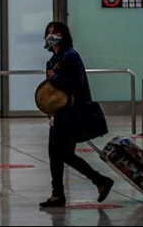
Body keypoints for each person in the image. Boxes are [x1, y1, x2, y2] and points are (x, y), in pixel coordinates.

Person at [40, 21, 114, 208]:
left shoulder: (71, 56)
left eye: (55, 31)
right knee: (58, 154)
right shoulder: (53, 60)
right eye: (48, 32)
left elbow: (77, 83)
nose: (51, 35)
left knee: (60, 153)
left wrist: (54, 77)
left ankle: (94, 182)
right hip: (59, 113)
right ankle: (91, 183)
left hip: (72, 113)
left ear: (63, 35)